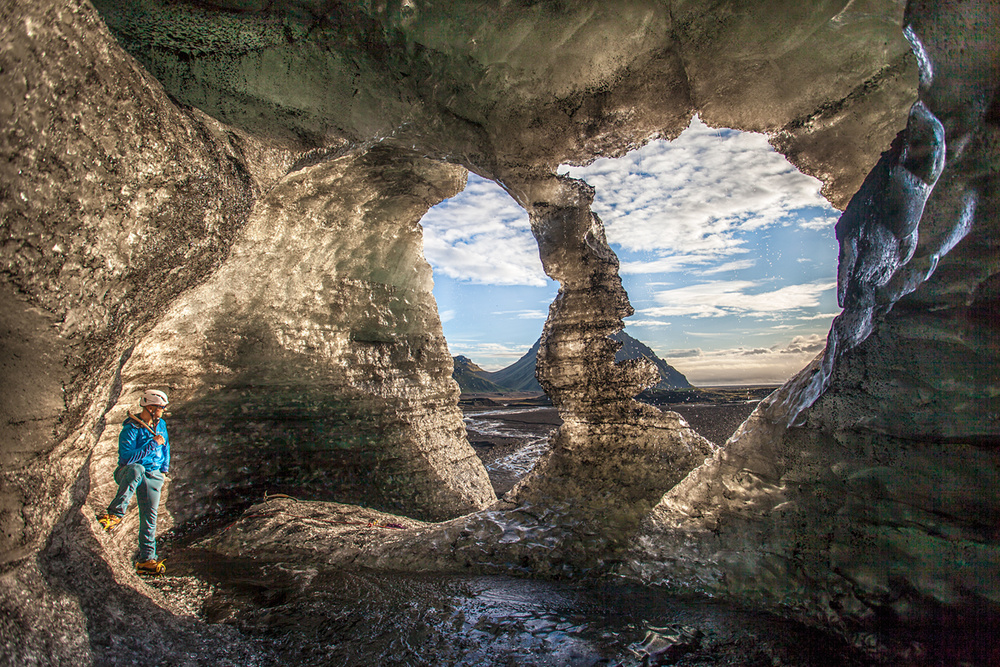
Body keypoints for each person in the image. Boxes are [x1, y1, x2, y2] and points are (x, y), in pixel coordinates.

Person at [96, 389, 171, 575]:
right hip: (129, 472)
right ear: (151, 408)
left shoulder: (161, 425)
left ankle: (147, 560)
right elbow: (127, 459)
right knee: (137, 468)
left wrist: (163, 470)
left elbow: (166, 447)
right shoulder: (131, 429)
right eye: (161, 408)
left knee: (150, 518)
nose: (163, 411)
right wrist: (152, 444)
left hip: (153, 475)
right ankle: (114, 514)